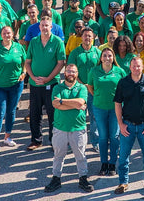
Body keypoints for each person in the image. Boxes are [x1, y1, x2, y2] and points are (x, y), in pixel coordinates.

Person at [114, 56, 144, 194]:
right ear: (130, 67)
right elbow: (117, 103)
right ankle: (123, 182)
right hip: (127, 126)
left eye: (138, 66)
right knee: (123, 157)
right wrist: (120, 124)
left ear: (142, 67)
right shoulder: (123, 82)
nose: (136, 68)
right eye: (133, 66)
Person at [44, 63, 94, 193]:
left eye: (74, 71)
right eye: (68, 71)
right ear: (64, 73)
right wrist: (73, 104)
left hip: (78, 128)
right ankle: (56, 178)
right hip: (60, 128)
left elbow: (80, 102)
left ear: (77, 74)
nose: (71, 73)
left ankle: (83, 178)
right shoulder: (57, 87)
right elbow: (55, 104)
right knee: (58, 155)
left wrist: (62, 102)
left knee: (80, 155)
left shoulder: (82, 87)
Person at [25, 16, 67, 149]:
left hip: (52, 83)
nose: (44, 28)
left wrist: (48, 78)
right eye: (42, 25)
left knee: (52, 114)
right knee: (35, 113)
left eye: (46, 25)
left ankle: (54, 141)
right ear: (39, 27)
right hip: (35, 83)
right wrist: (32, 77)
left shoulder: (57, 42)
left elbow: (61, 63)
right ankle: (36, 140)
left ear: (51, 27)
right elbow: (27, 62)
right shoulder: (34, 41)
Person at [0, 25, 26, 151]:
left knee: (11, 111)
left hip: (16, 85)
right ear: (1, 35)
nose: (6, 35)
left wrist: (24, 73)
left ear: (13, 34)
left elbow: (25, 62)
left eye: (9, 33)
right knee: (0, 112)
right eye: (4, 33)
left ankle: (7, 137)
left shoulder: (18, 47)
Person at [91, 47, 125, 175]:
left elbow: (124, 89)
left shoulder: (119, 71)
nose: (107, 58)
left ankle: (112, 163)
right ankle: (104, 163)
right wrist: (99, 96)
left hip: (115, 108)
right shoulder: (94, 71)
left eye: (109, 56)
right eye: (104, 55)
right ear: (101, 58)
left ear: (113, 58)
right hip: (99, 107)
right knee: (103, 136)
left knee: (114, 136)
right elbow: (90, 87)